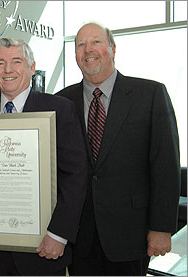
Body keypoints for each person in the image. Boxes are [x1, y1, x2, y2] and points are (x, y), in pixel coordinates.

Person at [0, 38, 87, 276]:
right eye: (0, 63)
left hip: (42, 250)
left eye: (16, 61)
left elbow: (76, 177)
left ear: (32, 67)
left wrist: (58, 234)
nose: (7, 70)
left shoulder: (59, 109)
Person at [56, 22, 180, 276]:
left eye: (96, 42)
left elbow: (165, 165)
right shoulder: (62, 101)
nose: (88, 49)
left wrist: (162, 227)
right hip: (80, 236)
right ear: (76, 55)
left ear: (112, 48)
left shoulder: (150, 94)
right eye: (80, 44)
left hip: (132, 234)